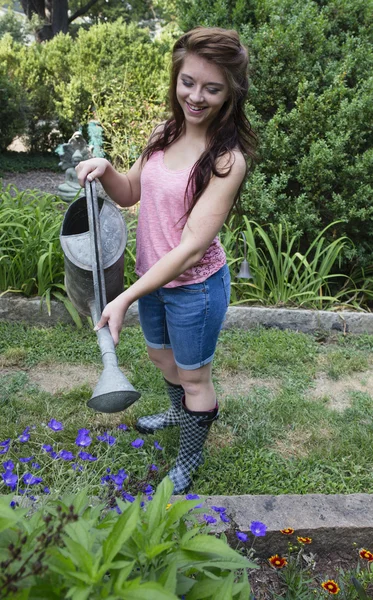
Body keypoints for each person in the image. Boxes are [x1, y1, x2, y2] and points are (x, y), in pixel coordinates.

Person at [76, 26, 257, 494]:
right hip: (152, 281)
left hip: (194, 287)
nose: (195, 96)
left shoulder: (226, 160)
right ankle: (178, 411)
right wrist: (107, 171)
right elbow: (133, 191)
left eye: (212, 88)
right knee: (162, 358)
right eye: (188, 82)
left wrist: (124, 298)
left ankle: (191, 454)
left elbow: (191, 248)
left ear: (230, 93)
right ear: (176, 77)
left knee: (194, 376)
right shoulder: (164, 132)